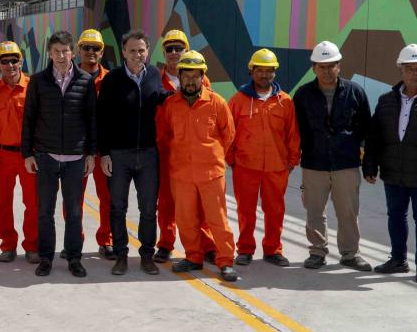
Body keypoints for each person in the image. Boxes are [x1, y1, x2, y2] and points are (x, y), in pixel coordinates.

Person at [157, 50, 238, 282]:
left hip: (211, 173)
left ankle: (225, 261)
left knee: (217, 219)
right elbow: (165, 134)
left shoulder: (217, 103)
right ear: (179, 77)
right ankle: (193, 256)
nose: (191, 81)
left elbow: (228, 134)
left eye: (195, 76)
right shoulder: (171, 104)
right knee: (185, 219)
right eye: (186, 76)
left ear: (203, 77)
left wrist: (211, 156)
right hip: (181, 174)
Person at [22, 31, 97, 278]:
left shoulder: (85, 81)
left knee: (74, 212)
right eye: (56, 51)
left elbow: (91, 119)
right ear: (50, 54)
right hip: (46, 157)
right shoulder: (38, 81)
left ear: (73, 53)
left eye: (65, 51)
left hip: (76, 159)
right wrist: (28, 154)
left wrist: (91, 153)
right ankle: (46, 258)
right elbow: (29, 119)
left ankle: (74, 258)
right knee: (45, 211)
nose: (61, 56)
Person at [293, 40, 372, 271]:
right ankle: (317, 252)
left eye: (331, 65)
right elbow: (296, 128)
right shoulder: (303, 94)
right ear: (313, 68)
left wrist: (368, 163)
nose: (327, 70)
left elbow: (366, 129)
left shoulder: (355, 92)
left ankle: (350, 253)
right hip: (314, 162)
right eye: (322, 66)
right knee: (314, 211)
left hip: (345, 163)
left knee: (348, 212)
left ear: (339, 65)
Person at [97, 31, 165, 275]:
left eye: (142, 50)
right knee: (118, 207)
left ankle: (147, 255)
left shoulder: (155, 75)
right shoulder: (112, 79)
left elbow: (163, 100)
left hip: (148, 155)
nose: (137, 55)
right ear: (123, 52)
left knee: (149, 209)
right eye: (132, 50)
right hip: (119, 155)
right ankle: (121, 255)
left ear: (148, 52)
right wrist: (104, 153)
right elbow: (101, 119)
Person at [227, 49, 300, 267]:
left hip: (276, 167)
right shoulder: (238, 101)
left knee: (275, 210)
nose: (265, 76)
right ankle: (245, 249)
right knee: (246, 211)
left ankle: (273, 249)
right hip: (245, 166)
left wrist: (291, 161)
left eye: (269, 71)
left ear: (275, 73)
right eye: (260, 71)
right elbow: (227, 132)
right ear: (251, 71)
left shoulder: (285, 102)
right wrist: (231, 160)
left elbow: (293, 134)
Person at [155, 29, 215, 263]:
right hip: (165, 151)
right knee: (167, 201)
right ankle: (166, 243)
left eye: (178, 48)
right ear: (164, 52)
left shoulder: (203, 79)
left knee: (200, 201)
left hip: (195, 152)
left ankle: (207, 244)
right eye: (169, 48)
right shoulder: (156, 79)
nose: (174, 52)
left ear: (186, 50)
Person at [363, 44, 417, 278]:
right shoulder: (386, 100)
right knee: (396, 216)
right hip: (393, 172)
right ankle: (398, 260)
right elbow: (374, 137)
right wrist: (370, 165)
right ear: (401, 71)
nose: (414, 73)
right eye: (409, 68)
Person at [0, 41, 39, 264]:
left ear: (21, 61)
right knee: (1, 203)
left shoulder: (33, 88)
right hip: (1, 155)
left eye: (14, 60)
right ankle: (7, 245)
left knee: (34, 203)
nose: (10, 65)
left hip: (28, 155)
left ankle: (33, 246)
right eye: (4, 61)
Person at [76, 29, 114, 260]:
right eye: (86, 47)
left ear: (101, 52)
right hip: (77, 150)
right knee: (74, 199)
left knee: (107, 198)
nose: (91, 52)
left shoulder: (111, 80)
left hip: (104, 150)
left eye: (95, 48)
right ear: (78, 50)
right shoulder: (68, 78)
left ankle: (106, 240)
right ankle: (74, 240)